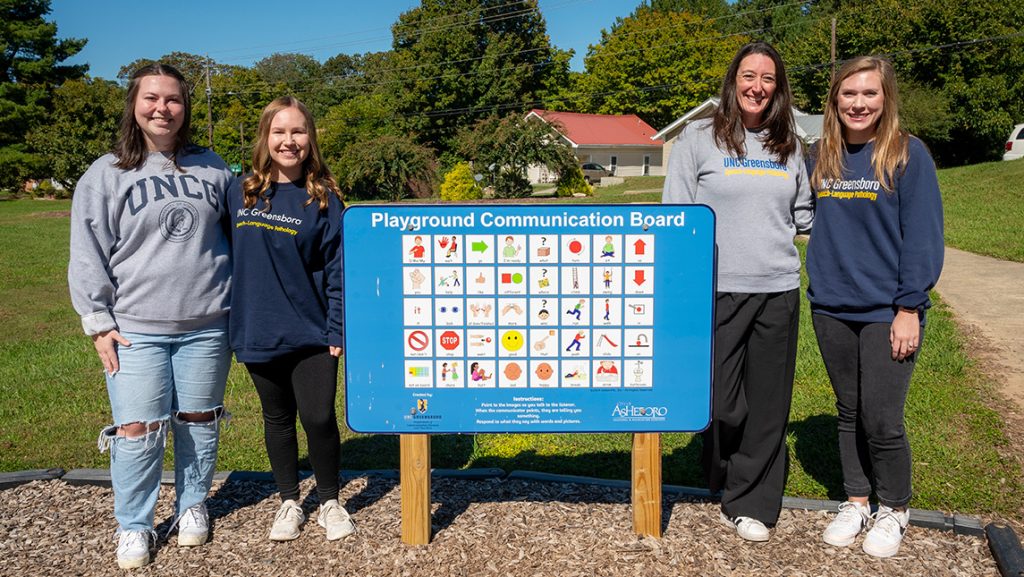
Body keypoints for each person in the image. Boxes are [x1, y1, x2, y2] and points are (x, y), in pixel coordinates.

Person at [68, 63, 233, 569]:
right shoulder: (106, 173)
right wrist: (97, 322)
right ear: (134, 106)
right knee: (136, 429)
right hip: (135, 327)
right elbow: (87, 251)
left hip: (207, 323)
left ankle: (192, 506)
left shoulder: (214, 168)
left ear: (186, 107)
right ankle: (135, 525)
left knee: (199, 421)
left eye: (174, 99)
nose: (163, 108)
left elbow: (242, 235)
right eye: (151, 98)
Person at [662, 41, 813, 542]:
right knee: (722, 404)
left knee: (768, 403)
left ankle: (751, 501)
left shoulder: (788, 143)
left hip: (777, 289)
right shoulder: (698, 139)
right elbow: (676, 219)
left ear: (778, 87)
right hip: (716, 290)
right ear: (734, 82)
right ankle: (721, 468)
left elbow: (804, 215)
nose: (758, 87)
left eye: (768, 79)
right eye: (749, 76)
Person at [806, 56, 943, 558]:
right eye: (849, 94)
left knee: (882, 416)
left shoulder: (908, 154)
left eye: (869, 94)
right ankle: (857, 500)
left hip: (887, 309)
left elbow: (924, 238)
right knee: (849, 410)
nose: (858, 103)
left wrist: (909, 307)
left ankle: (895, 509)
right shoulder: (821, 155)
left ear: (886, 99)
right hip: (831, 305)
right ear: (835, 100)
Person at [228, 96, 355, 542]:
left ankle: (330, 501)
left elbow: (339, 270)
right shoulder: (239, 191)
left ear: (311, 139)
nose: (289, 140)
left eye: (298, 131)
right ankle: (288, 501)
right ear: (265, 137)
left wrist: (337, 327)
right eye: (279, 131)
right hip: (256, 328)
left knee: (318, 417)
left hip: (311, 330)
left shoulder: (323, 199)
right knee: (276, 418)